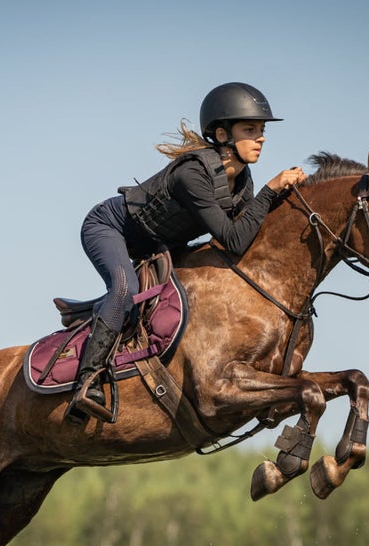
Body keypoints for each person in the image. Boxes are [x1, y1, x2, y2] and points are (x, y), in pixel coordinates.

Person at [68, 82, 308, 422]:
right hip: (110, 228)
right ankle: (86, 382)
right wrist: (270, 192)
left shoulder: (242, 182)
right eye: (251, 130)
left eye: (262, 130)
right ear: (223, 134)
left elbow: (243, 234)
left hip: (159, 245)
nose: (262, 138)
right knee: (124, 290)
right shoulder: (192, 174)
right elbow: (232, 238)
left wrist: (277, 200)